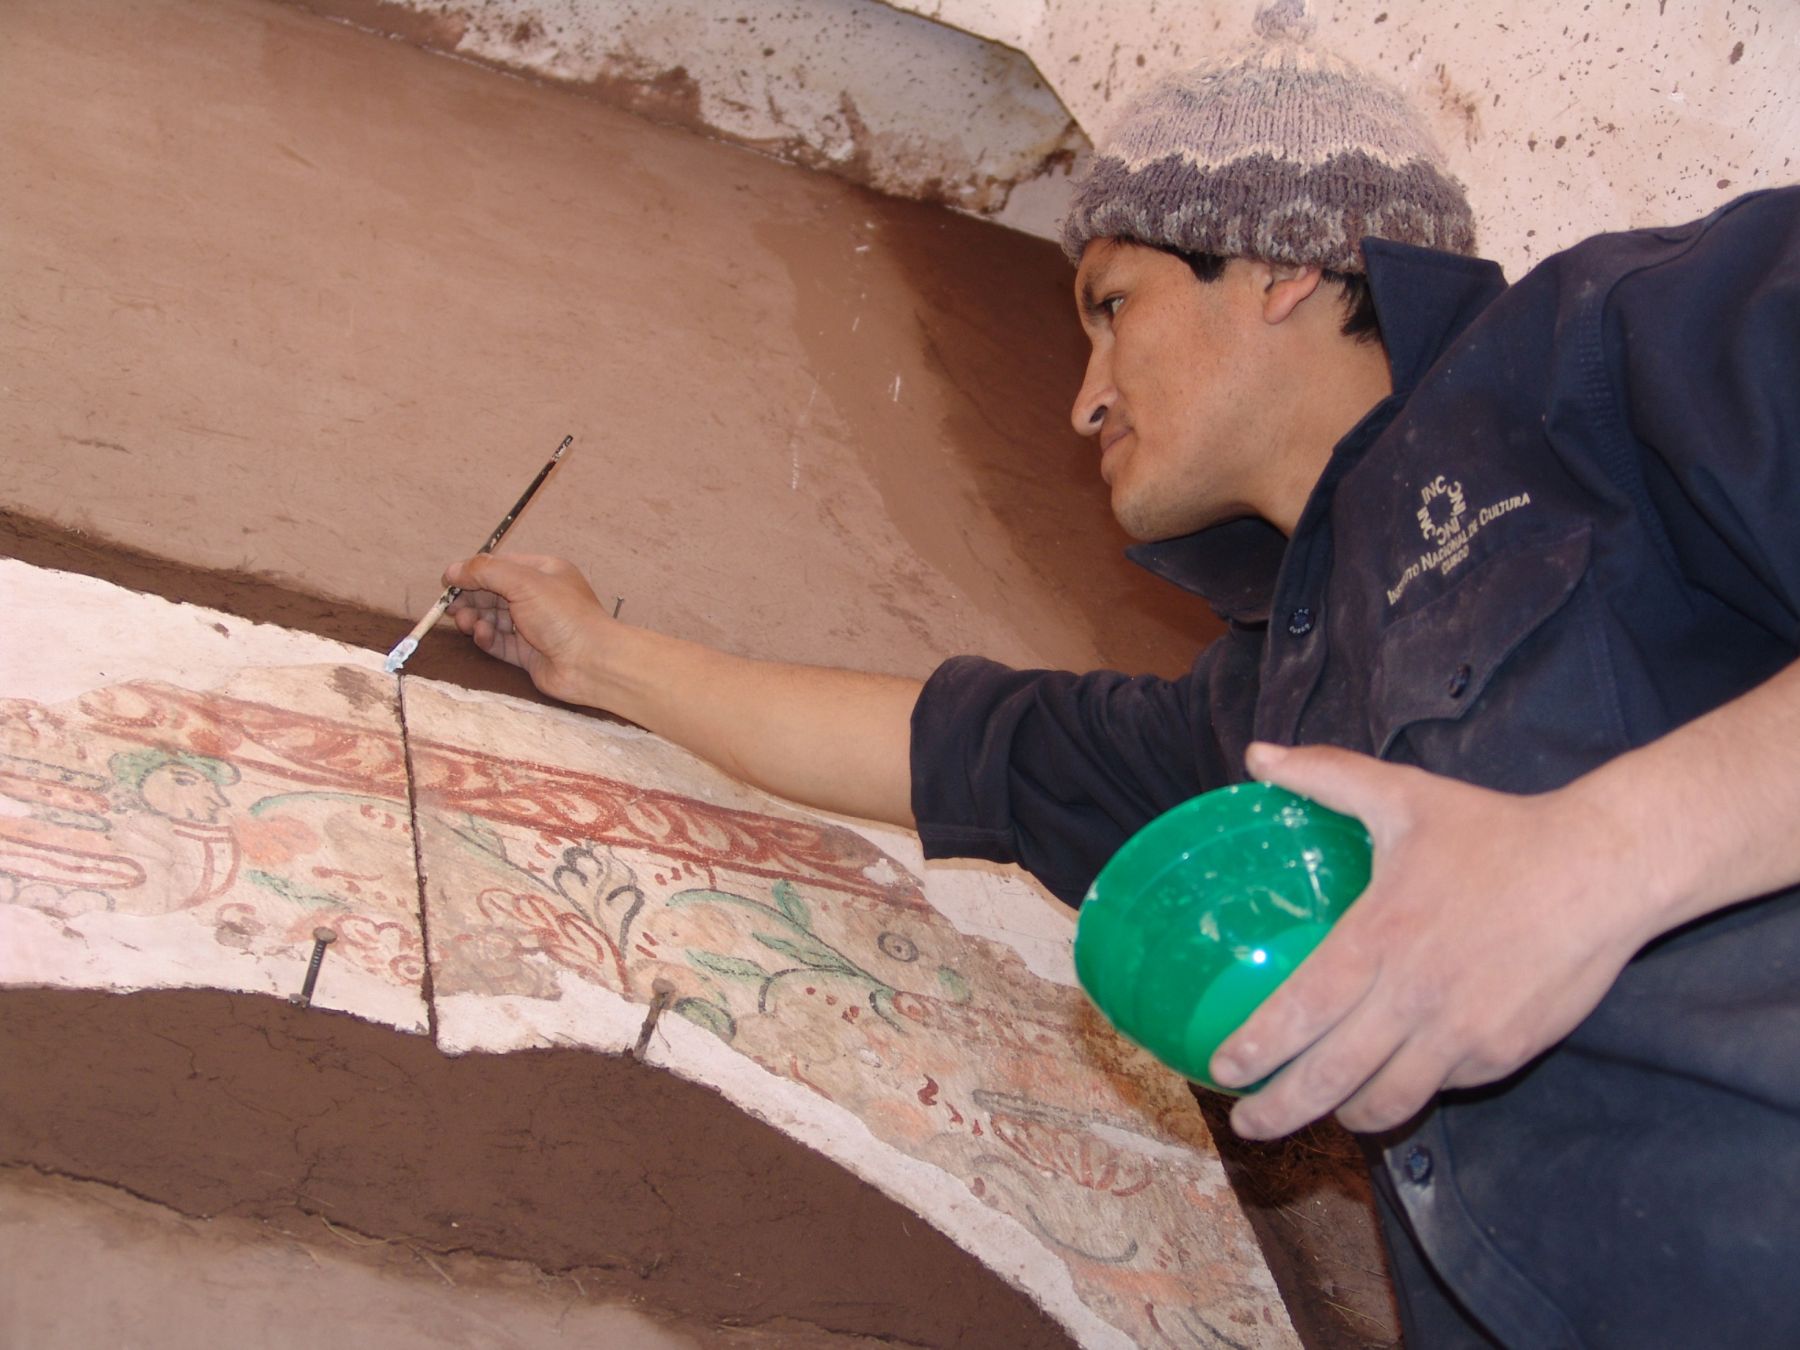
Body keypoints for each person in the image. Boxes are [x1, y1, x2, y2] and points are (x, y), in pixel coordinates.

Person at [442, 2, 1800, 1341]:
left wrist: (1600, 856)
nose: (1082, 397)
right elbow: (951, 746)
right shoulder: (1267, 717)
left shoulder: (1602, 364)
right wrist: (599, 655)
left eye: (1111, 305)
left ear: (1286, 263)